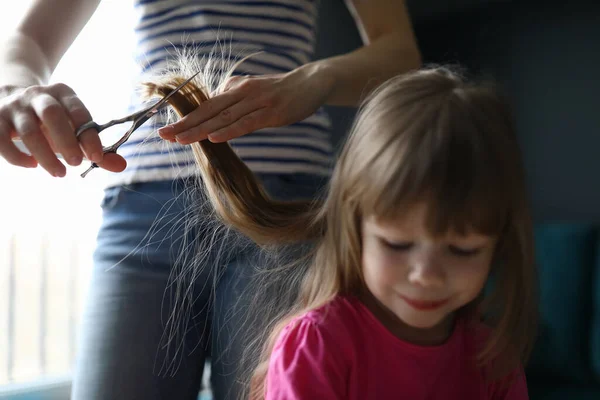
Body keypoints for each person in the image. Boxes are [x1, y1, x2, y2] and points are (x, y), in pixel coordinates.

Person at [0, 1, 421, 399]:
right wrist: (14, 87)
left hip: (281, 214)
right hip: (141, 212)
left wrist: (315, 79)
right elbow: (29, 41)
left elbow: (399, 55)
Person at [176, 66, 538, 399]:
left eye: (462, 250)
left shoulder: (493, 360)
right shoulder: (318, 346)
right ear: (355, 228)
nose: (426, 275)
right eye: (397, 244)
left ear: (497, 243)